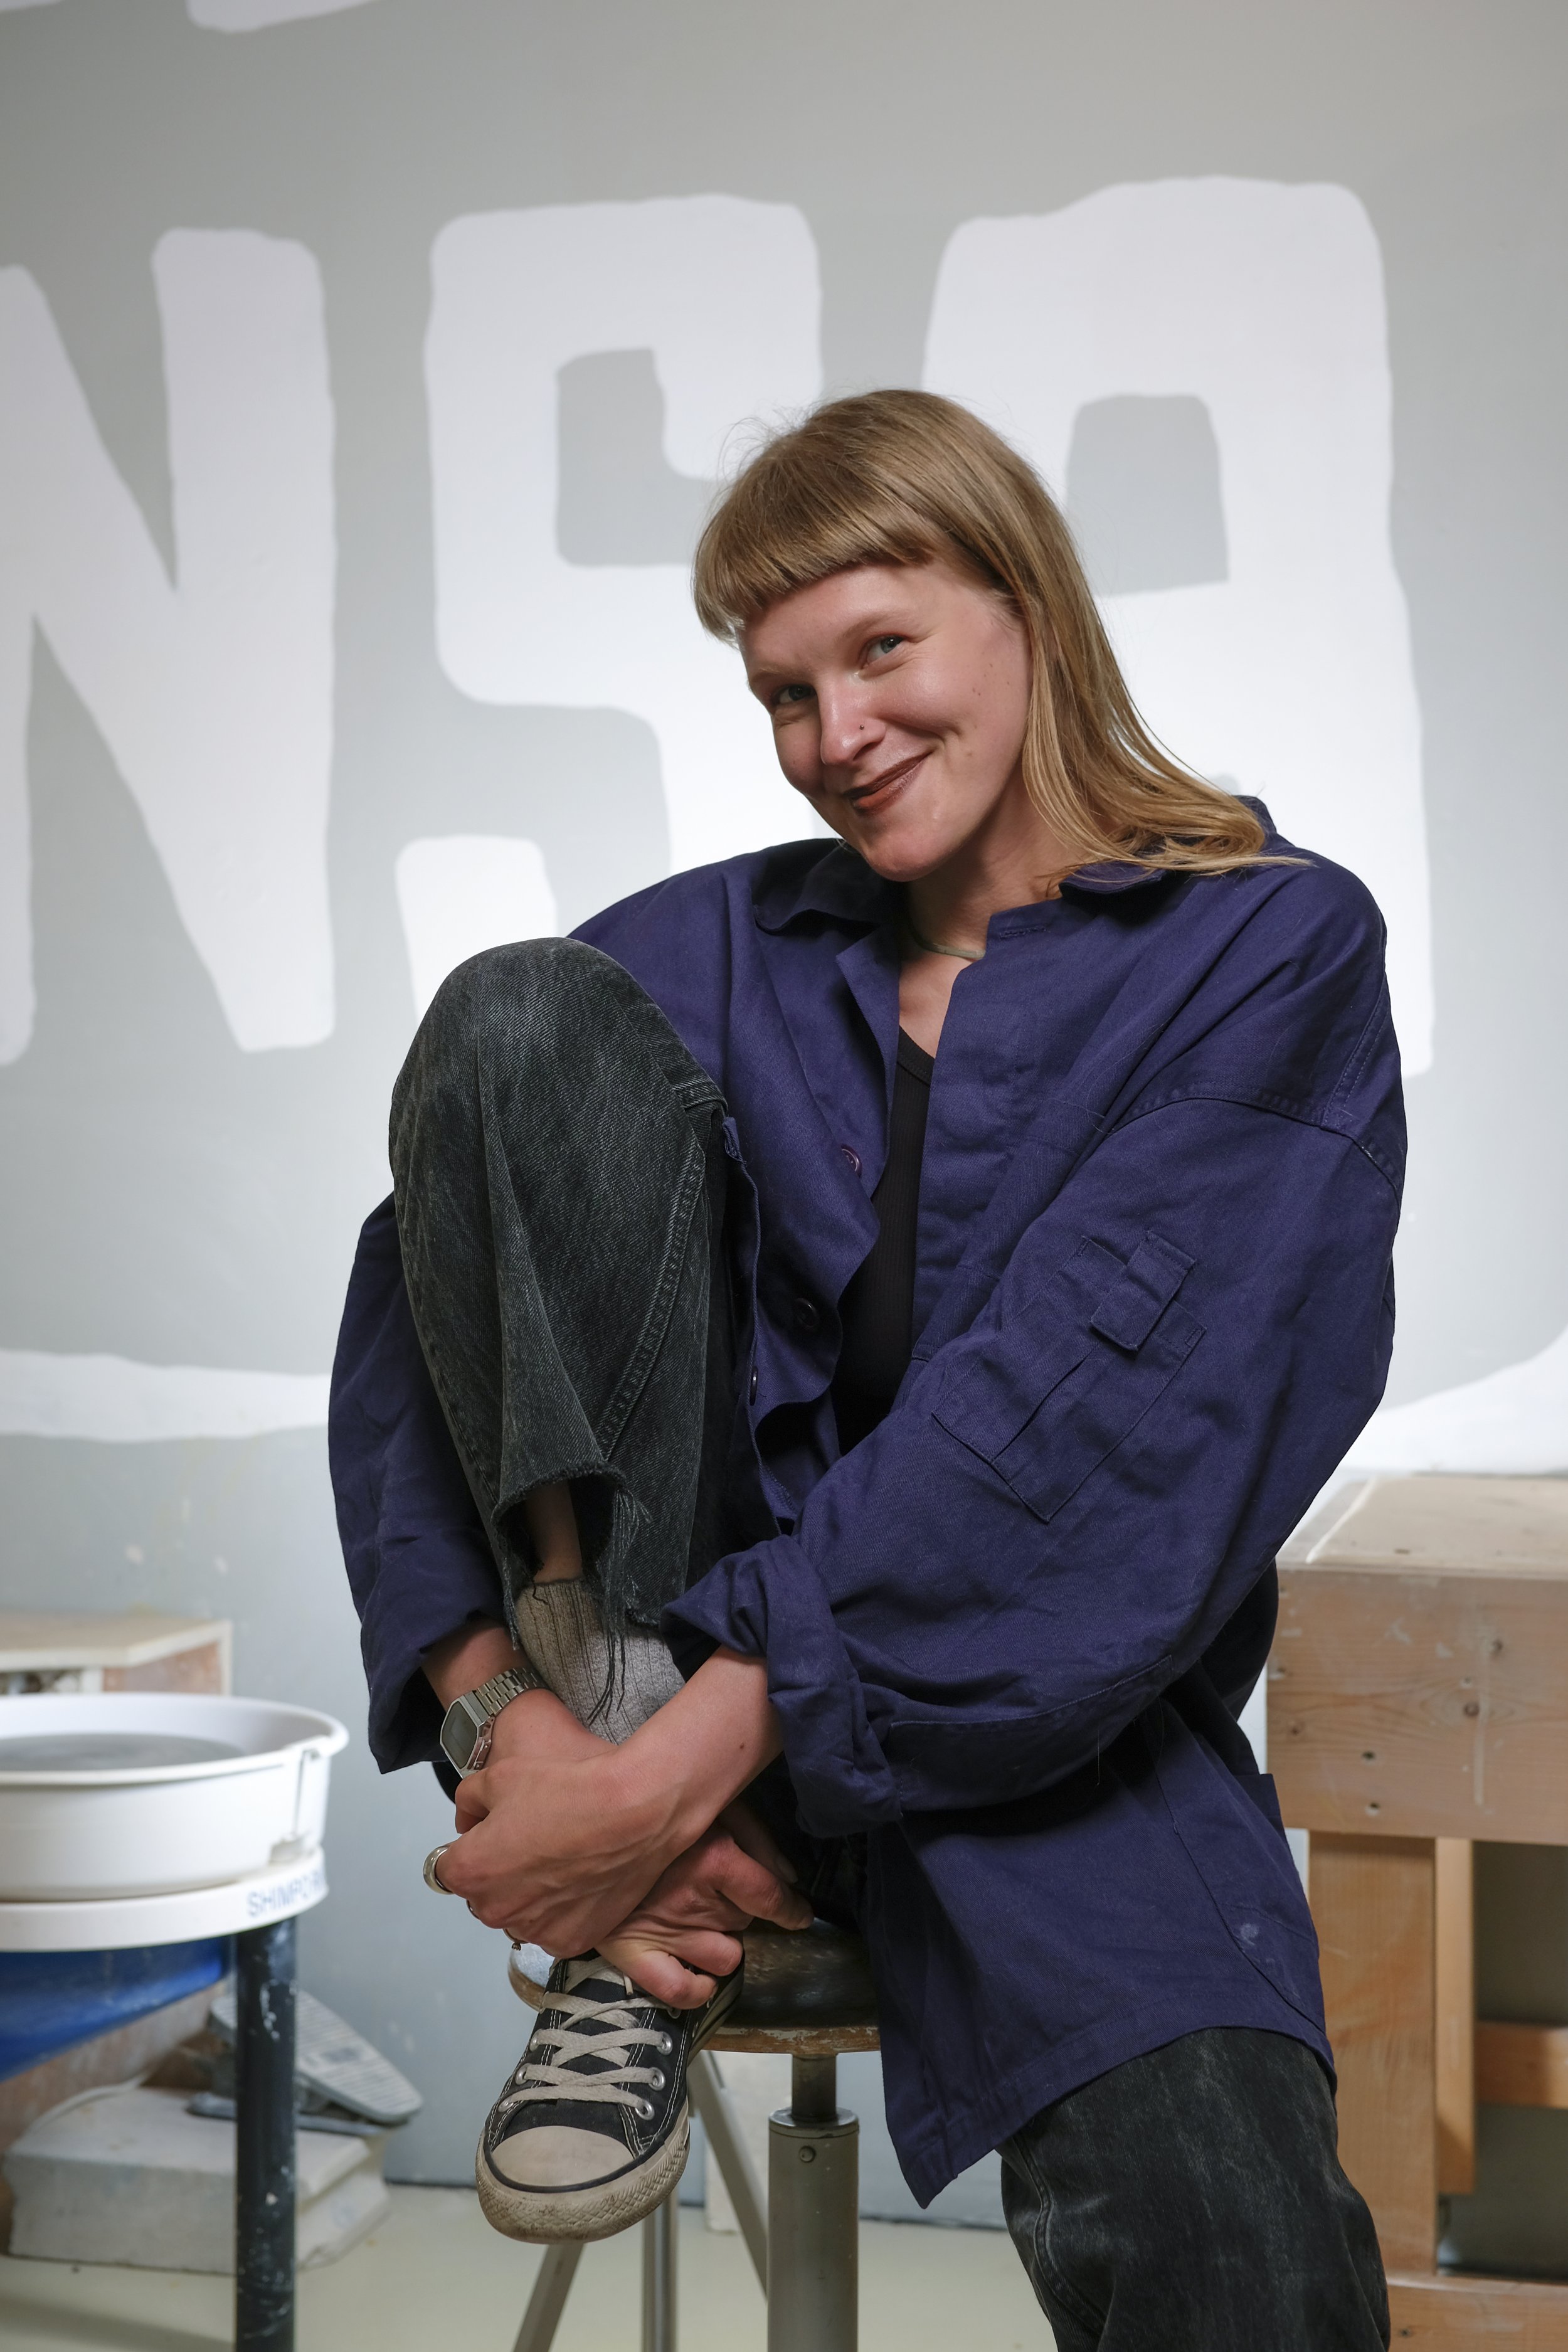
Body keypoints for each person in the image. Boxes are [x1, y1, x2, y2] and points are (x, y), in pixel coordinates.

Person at [331, 390, 1399, 2348]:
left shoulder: (1267, 948)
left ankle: (655, 1872)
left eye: (879, 651)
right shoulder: (705, 949)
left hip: (1045, 1732)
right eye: (782, 694)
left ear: (1028, 608)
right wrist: (526, 1738)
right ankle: (636, 1901)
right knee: (508, 1025)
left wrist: (655, 1794)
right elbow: (431, 1276)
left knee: (1238, 2259)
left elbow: (1088, 1430)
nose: (834, 739)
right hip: (636, 1693)